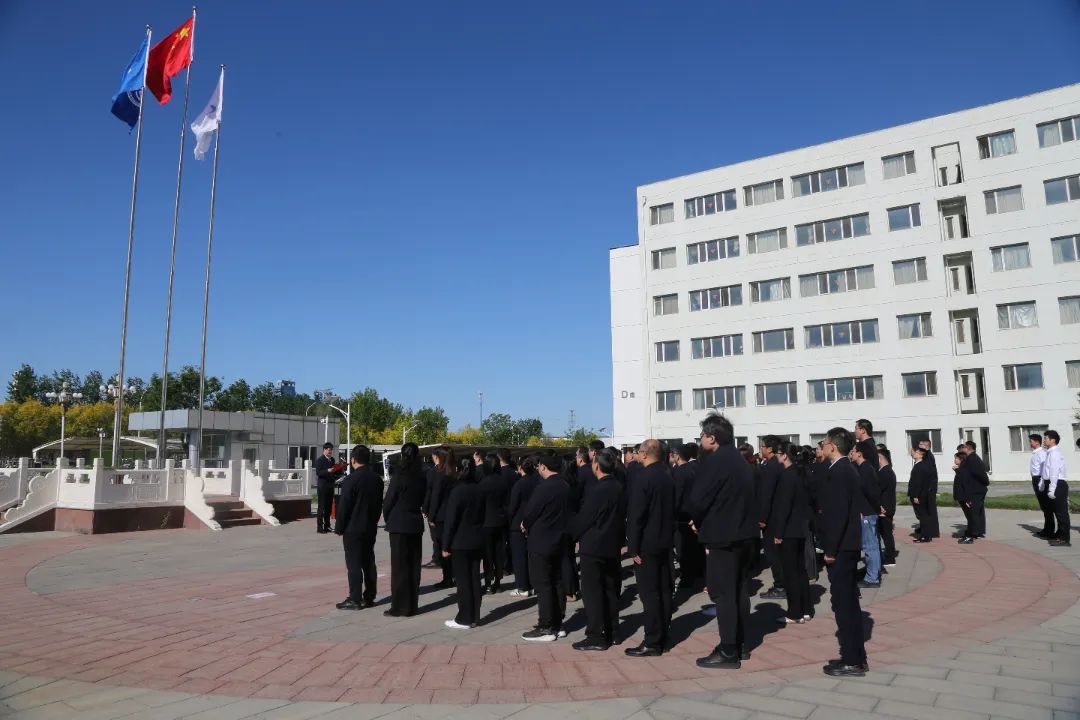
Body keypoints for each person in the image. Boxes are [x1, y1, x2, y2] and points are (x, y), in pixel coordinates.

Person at [691, 413, 758, 669]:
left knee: (723, 594)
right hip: (745, 534)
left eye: (702, 436)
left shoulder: (715, 461)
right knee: (739, 590)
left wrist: (697, 519)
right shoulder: (740, 460)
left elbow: (698, 499)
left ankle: (728, 649)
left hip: (722, 535)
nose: (700, 440)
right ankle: (740, 644)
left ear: (712, 438)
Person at [819, 427, 867, 677]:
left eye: (825, 442)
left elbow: (837, 515)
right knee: (846, 602)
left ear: (834, 446)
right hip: (847, 546)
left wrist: (830, 549)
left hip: (842, 548)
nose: (823, 446)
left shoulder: (840, 472)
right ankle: (855, 656)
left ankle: (852, 660)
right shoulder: (844, 469)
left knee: (844, 604)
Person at [624, 439, 675, 657]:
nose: (636, 455)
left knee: (650, 593)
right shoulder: (667, 474)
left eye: (638, 451)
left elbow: (636, 515)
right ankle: (663, 636)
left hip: (647, 543)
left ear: (644, 454)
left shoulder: (643, 477)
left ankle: (652, 641)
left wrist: (633, 547)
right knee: (664, 590)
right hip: (665, 540)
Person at [570, 449, 625, 651]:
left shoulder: (598, 489)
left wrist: (572, 534)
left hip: (594, 546)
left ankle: (595, 635)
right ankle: (613, 631)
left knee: (592, 592)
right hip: (612, 544)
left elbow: (585, 518)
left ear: (597, 465)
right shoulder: (619, 486)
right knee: (611, 589)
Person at [521, 455, 570, 641]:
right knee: (556, 581)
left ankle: (546, 626)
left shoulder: (544, 487)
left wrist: (525, 524)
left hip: (541, 541)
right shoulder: (565, 485)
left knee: (543, 584)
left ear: (543, 467)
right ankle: (557, 623)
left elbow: (531, 512)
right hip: (559, 539)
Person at [334, 445, 384, 610]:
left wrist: (339, 527)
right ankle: (369, 596)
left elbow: (344, 506)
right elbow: (379, 505)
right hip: (370, 526)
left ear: (353, 460)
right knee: (368, 561)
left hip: (353, 528)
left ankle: (354, 598)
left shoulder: (351, 479)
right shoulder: (377, 479)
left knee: (354, 563)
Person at [769, 443, 813, 625]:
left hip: (788, 530)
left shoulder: (788, 475)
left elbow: (783, 506)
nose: (776, 457)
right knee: (800, 570)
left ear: (785, 455)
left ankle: (795, 612)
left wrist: (778, 532)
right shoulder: (800, 472)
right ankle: (806, 609)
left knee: (790, 572)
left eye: (777, 453)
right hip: (799, 528)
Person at [382, 442, 427, 617]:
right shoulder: (422, 476)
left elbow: (388, 501)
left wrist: (389, 518)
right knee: (414, 566)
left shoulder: (399, 475)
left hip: (399, 523)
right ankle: (412, 605)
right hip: (415, 522)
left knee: (400, 567)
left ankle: (399, 606)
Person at [442, 459, 486, 629]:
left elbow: (451, 521)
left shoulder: (457, 491)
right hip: (477, 538)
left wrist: (445, 545)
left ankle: (465, 618)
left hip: (460, 541)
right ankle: (474, 615)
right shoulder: (479, 489)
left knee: (463, 581)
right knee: (474, 578)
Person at [756, 435, 786, 600]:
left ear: (769, 449)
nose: (760, 449)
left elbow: (766, 495)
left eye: (762, 446)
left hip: (772, 518)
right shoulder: (772, 464)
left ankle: (781, 586)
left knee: (773, 553)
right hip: (776, 516)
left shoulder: (772, 466)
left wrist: (762, 518)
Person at [850, 443, 883, 589]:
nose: (851, 453)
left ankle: (872, 578)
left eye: (853, 451)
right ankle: (871, 574)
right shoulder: (860, 468)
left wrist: (876, 508)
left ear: (860, 453)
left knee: (870, 547)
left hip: (868, 513)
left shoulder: (866, 469)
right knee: (869, 545)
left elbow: (872, 493)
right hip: (865, 512)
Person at [673, 442, 704, 591]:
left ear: (678, 456)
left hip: (683, 515)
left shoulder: (679, 472)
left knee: (683, 549)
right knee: (695, 546)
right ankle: (698, 572)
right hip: (695, 513)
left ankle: (687, 578)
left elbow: (677, 496)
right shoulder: (695, 468)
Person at [478, 452, 510, 594]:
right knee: (499, 553)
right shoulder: (503, 482)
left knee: (488, 555)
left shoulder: (483, 484)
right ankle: (498, 581)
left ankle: (488, 582)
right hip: (501, 521)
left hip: (486, 522)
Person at [507, 456, 540, 597]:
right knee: (531, 556)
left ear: (520, 468)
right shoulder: (538, 481)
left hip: (518, 523)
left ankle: (522, 586)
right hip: (534, 522)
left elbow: (513, 506)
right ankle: (533, 584)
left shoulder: (519, 484)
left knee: (519, 557)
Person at [428, 447, 458, 588]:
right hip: (453, 513)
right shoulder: (454, 473)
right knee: (452, 545)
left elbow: (436, 497)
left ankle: (447, 578)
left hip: (441, 515)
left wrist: (431, 516)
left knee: (443, 546)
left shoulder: (439, 474)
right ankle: (455, 575)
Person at [1041, 430, 1071, 547]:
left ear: (1053, 440)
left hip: (1057, 484)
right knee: (1057, 512)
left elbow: (1054, 472)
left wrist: (1052, 488)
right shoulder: (1050, 452)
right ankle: (1059, 535)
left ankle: (1064, 539)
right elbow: (1047, 471)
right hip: (1053, 483)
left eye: (1046, 438)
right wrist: (1043, 483)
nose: (1044, 440)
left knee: (1061, 513)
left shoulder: (1054, 453)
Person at [957, 441, 989, 543]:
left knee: (973, 513)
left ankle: (971, 535)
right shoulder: (972, 458)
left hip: (975, 490)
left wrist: (985, 483)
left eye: (964, 447)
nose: (962, 449)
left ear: (968, 448)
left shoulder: (972, 459)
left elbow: (979, 475)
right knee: (977, 512)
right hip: (976, 489)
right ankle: (978, 531)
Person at [908, 446, 938, 542]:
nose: (913, 453)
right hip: (922, 494)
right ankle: (925, 535)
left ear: (921, 455)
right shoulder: (920, 465)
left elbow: (918, 483)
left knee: (923, 516)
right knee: (923, 516)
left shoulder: (920, 466)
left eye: (916, 452)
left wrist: (916, 495)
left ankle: (926, 536)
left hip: (919, 495)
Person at [314, 442, 344, 534]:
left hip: (330, 486)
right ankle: (320, 527)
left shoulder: (332, 460)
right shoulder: (320, 460)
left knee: (328, 507)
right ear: (324, 450)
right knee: (322, 507)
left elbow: (334, 472)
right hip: (322, 486)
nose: (330, 452)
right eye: (328, 450)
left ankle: (327, 526)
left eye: (331, 450)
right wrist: (327, 470)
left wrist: (340, 468)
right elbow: (318, 473)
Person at [876, 447, 898, 567]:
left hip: (884, 508)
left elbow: (878, 490)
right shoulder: (887, 470)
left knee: (886, 534)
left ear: (880, 459)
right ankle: (889, 556)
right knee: (886, 533)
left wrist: (879, 506)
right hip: (887, 507)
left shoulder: (885, 472)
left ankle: (890, 559)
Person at [1029, 434, 1054, 538]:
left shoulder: (1041, 453)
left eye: (1031, 441)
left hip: (1040, 479)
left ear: (1036, 442)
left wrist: (1041, 482)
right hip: (1036, 479)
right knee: (1043, 506)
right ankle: (1047, 529)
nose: (1030, 443)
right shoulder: (1036, 453)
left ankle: (1049, 531)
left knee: (1046, 506)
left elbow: (1045, 468)